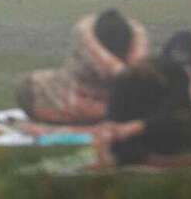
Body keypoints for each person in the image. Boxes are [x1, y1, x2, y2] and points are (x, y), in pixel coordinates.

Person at [15, 9, 149, 125]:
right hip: (76, 92)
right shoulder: (88, 36)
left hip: (98, 101)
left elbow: (130, 75)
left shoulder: (135, 42)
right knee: (28, 88)